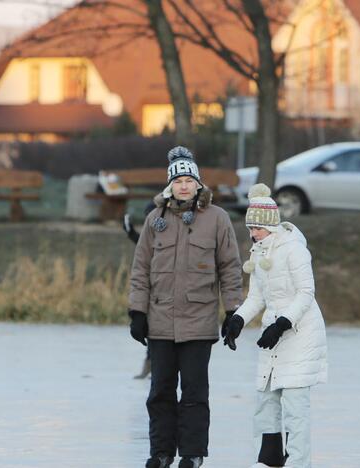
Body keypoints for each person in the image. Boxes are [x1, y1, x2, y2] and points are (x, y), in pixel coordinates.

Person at [128, 146, 243, 468]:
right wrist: (137, 312)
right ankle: (161, 453)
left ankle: (192, 454)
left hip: (199, 321)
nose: (183, 185)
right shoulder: (155, 220)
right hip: (160, 321)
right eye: (177, 180)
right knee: (160, 391)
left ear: (198, 184)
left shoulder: (217, 219)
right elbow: (140, 270)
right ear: (170, 185)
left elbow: (230, 268)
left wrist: (233, 311)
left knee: (194, 393)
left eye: (188, 180)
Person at [222, 183, 328, 468]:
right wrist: (237, 319)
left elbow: (306, 293)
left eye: (257, 228)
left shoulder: (294, 250)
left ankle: (297, 462)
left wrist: (282, 323)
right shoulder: (258, 252)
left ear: (271, 225)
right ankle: (269, 460)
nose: (252, 233)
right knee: (266, 399)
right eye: (250, 228)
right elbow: (256, 297)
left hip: (300, 331)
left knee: (294, 405)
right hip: (273, 332)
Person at [122, 201, 156, 379]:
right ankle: (149, 365)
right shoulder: (149, 234)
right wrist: (130, 232)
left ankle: (156, 366)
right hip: (150, 292)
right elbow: (144, 245)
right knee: (151, 330)